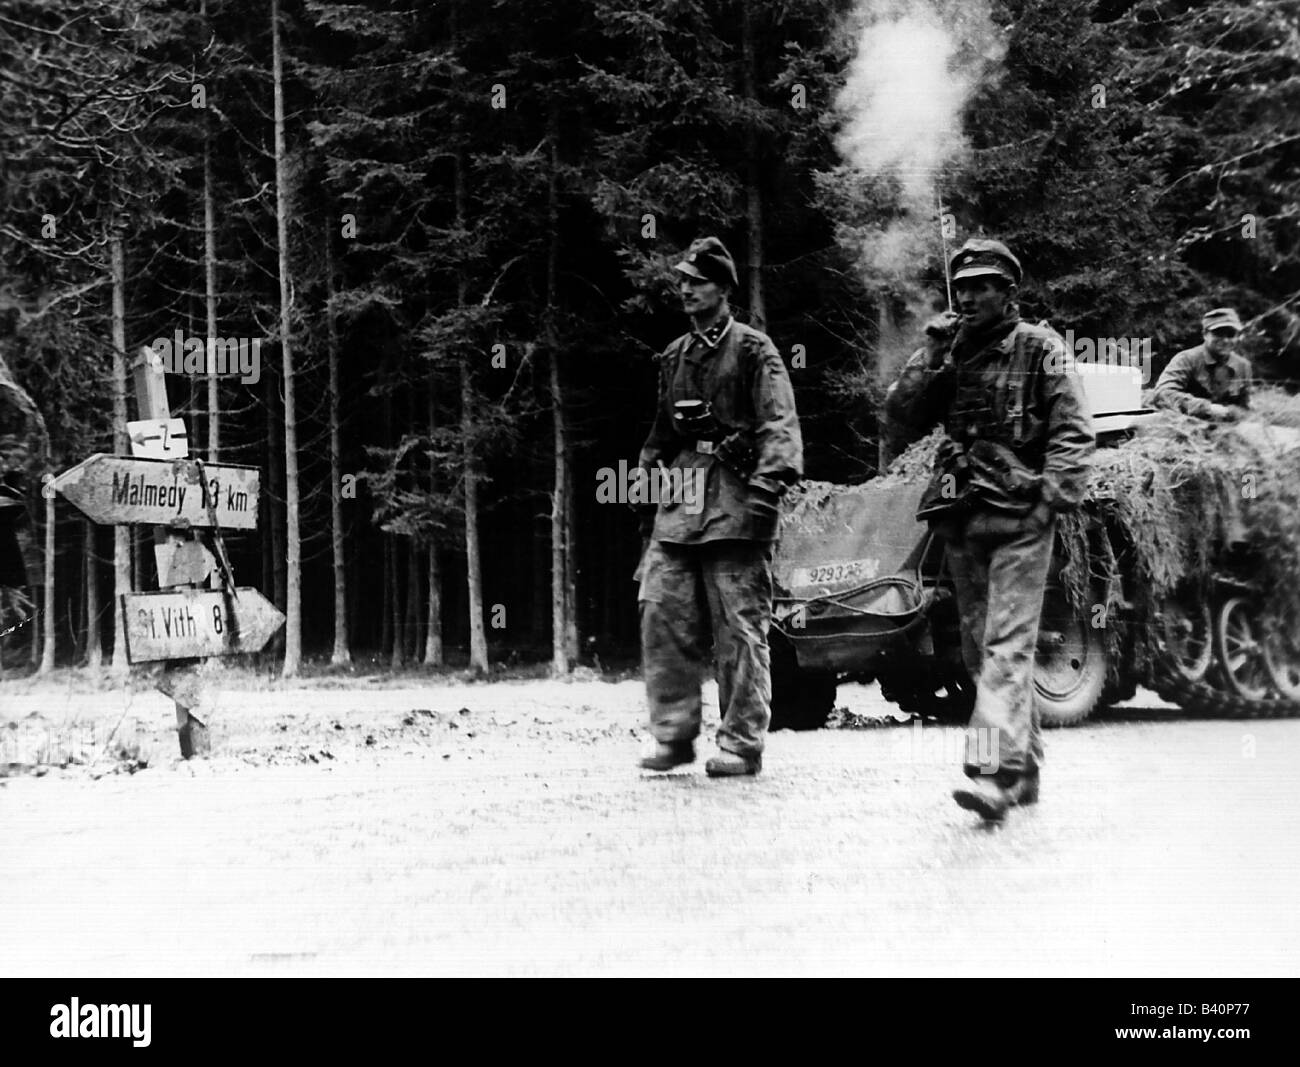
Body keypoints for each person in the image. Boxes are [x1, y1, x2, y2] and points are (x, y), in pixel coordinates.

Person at [884, 238, 1095, 820]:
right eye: (963, 287)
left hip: (1021, 517)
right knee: (980, 653)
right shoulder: (949, 352)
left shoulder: (1040, 347)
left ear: (1009, 292)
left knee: (1006, 648)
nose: (970, 296)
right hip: (961, 517)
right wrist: (930, 351)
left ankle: (991, 774)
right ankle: (1023, 769)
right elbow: (899, 415)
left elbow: (1074, 431)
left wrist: (1050, 500)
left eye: (983, 285)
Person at [635, 237, 803, 777]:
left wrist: (764, 494)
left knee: (739, 629)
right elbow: (661, 435)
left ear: (724, 289)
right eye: (681, 280)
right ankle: (673, 735)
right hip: (682, 503)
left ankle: (741, 742)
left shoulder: (755, 351)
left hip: (737, 500)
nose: (685, 288)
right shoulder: (674, 356)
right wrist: (648, 469)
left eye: (697, 281)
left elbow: (780, 428)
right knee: (660, 610)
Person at [1152, 307, 1252, 420]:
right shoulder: (1186, 359)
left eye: (1231, 334)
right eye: (1218, 334)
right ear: (1205, 334)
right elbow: (1162, 394)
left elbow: (1245, 407)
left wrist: (1235, 413)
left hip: (1225, 428)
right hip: (1185, 425)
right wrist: (1207, 408)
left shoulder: (1243, 366)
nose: (1225, 340)